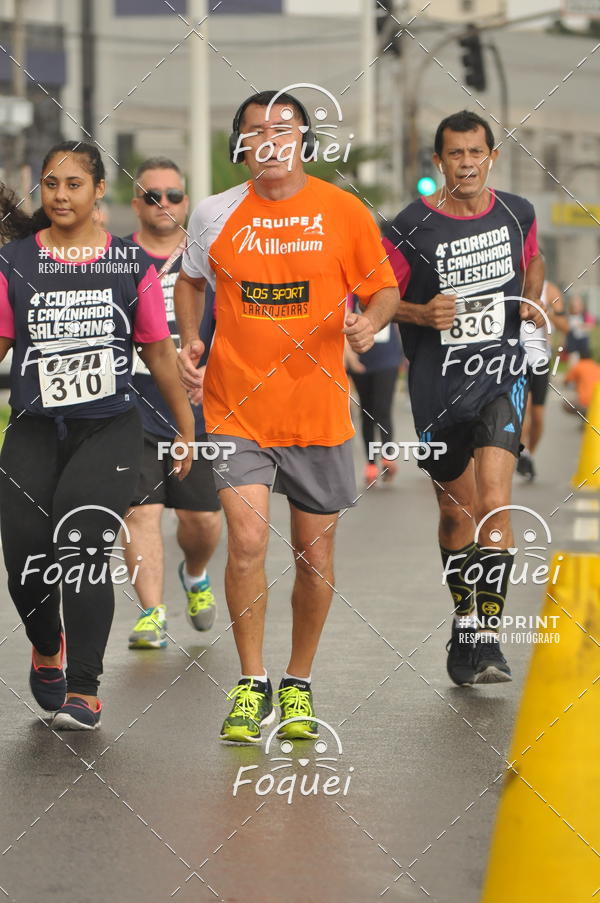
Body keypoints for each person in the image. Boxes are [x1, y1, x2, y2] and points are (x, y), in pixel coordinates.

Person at [175, 90, 400, 743]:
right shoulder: (215, 214)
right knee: (245, 540)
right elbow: (191, 279)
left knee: (313, 550)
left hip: (318, 410)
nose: (269, 139)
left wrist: (370, 322)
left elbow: (384, 288)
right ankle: (251, 682)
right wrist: (190, 336)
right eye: (255, 131)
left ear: (303, 137)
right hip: (236, 404)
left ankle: (298, 681)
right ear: (242, 144)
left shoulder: (344, 211)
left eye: (282, 127)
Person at [0, 142, 193, 730]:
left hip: (108, 428)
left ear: (99, 190)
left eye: (74, 184)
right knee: (25, 557)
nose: (61, 195)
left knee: (84, 546)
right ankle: (47, 644)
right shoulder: (14, 262)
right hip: (33, 428)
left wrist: (186, 427)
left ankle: (84, 688)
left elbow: (159, 352)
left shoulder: (131, 267)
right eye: (51, 184)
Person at [383, 110, 544, 687]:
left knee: (495, 504)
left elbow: (534, 259)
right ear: (439, 161)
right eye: (456, 154)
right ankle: (463, 618)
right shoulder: (409, 227)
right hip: (438, 385)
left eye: (477, 152)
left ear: (492, 156)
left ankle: (487, 638)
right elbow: (373, 299)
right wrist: (419, 312)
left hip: (501, 374)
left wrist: (530, 298)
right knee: (456, 512)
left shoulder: (516, 212)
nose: (468, 163)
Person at [124, 157, 222, 649]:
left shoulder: (206, 257)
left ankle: (197, 574)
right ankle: (152, 613)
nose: (164, 203)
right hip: (133, 405)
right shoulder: (117, 259)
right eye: (153, 194)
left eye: (174, 195)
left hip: (198, 407)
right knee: (142, 512)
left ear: (187, 201)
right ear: (135, 202)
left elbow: (236, 324)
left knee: (201, 520)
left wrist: (212, 372)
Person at [345, 296, 404, 484]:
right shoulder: (350, 294)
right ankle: (371, 463)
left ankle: (387, 456)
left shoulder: (387, 290)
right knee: (367, 413)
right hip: (362, 360)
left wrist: (403, 354)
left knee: (383, 408)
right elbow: (341, 321)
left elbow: (399, 320)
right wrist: (351, 359)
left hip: (387, 359)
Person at [517, 277, 564, 481]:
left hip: (540, 360)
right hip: (516, 361)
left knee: (538, 416)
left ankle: (529, 454)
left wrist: (547, 313)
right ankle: (522, 452)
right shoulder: (515, 284)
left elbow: (565, 325)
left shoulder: (549, 289)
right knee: (524, 410)